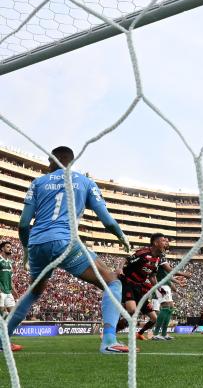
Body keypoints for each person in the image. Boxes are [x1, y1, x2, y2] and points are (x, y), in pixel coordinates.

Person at [7, 146, 131, 354]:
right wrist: (121, 236)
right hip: (65, 242)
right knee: (112, 282)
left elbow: (23, 224)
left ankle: (3, 338)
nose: (47, 166)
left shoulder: (38, 182)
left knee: (34, 291)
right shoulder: (85, 182)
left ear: (54, 161)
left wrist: (27, 251)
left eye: (49, 162)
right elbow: (107, 220)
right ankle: (109, 340)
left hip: (37, 243)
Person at [115, 233, 166, 340]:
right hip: (128, 283)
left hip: (139, 287)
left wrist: (158, 288)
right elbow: (125, 260)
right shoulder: (143, 253)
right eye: (163, 241)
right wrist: (120, 268)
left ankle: (139, 334)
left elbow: (152, 276)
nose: (165, 243)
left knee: (154, 318)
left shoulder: (157, 259)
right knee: (132, 311)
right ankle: (110, 333)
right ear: (156, 243)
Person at [151, 247, 190, 341]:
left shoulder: (162, 258)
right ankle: (155, 334)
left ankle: (164, 334)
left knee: (171, 307)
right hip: (161, 285)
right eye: (164, 242)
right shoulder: (159, 257)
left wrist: (178, 282)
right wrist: (183, 274)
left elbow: (168, 276)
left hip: (165, 286)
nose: (166, 245)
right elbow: (169, 270)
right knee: (166, 306)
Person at [0, 241, 17, 319]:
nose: (10, 249)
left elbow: (10, 278)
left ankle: (7, 330)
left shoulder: (10, 263)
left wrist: (14, 290)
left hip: (8, 291)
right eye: (8, 247)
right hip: (1, 292)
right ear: (2, 249)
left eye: (10, 247)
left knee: (12, 315)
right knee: (2, 314)